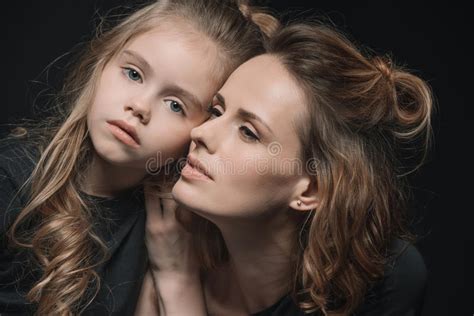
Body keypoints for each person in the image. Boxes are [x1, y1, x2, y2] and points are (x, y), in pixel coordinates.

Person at [0, 1, 279, 314]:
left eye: (175, 105)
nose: (140, 106)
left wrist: (175, 275)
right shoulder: (12, 179)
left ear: (203, 130)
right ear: (103, 61)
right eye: (133, 74)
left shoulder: (177, 230)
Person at [143, 22, 433, 315]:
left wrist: (178, 285)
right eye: (216, 111)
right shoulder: (168, 237)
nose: (201, 133)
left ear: (311, 189)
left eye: (248, 132)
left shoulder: (385, 281)